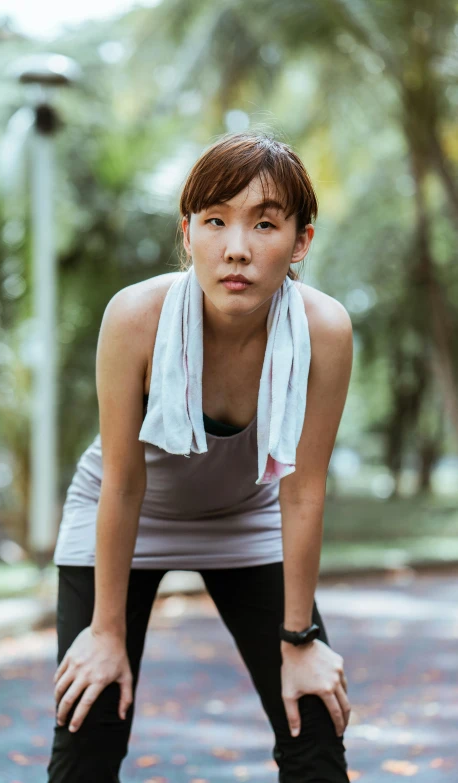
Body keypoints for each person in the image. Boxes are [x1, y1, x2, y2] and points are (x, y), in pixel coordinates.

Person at [46, 130, 353, 782]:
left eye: (265, 224)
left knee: (314, 720)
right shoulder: (136, 318)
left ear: (302, 241)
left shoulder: (325, 330)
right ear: (187, 233)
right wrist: (105, 632)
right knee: (89, 723)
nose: (236, 248)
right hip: (125, 512)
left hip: (247, 515)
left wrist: (299, 640)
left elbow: (302, 489)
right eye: (215, 221)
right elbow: (123, 486)